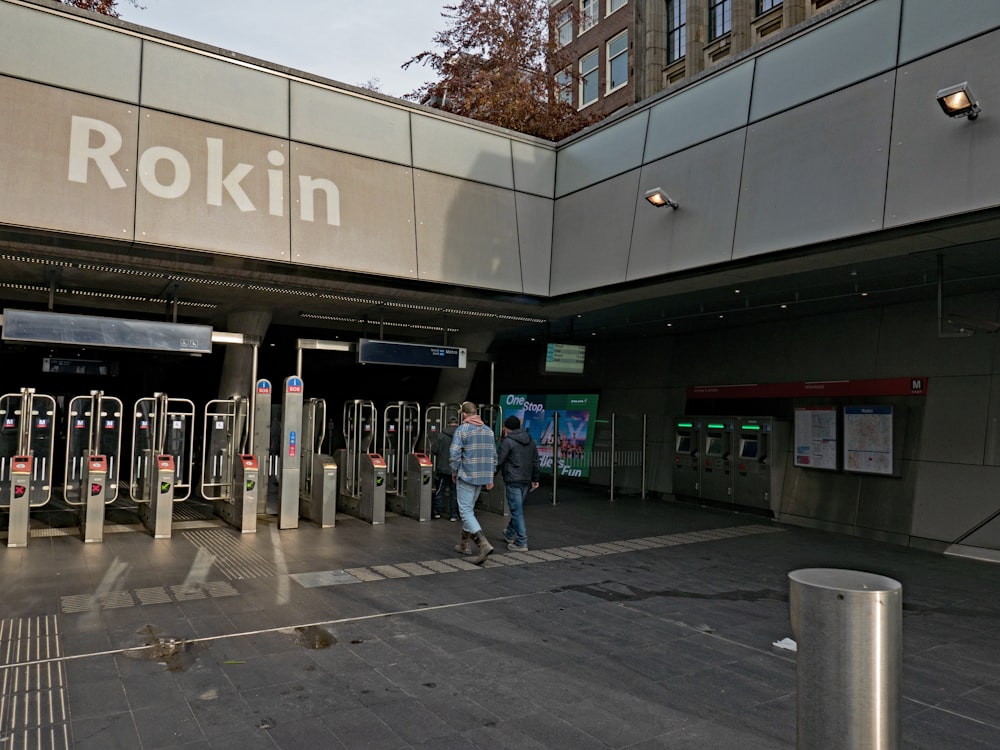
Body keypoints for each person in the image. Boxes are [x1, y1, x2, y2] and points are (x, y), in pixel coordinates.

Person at [449, 401, 497, 565]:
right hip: (483, 478)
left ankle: (483, 544)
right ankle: (463, 545)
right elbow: (494, 456)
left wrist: (454, 471)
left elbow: (454, 453)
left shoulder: (462, 430)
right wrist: (490, 477)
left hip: (468, 475)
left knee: (465, 512)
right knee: (469, 510)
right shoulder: (489, 431)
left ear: (463, 415)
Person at [496, 415, 540, 551]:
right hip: (526, 479)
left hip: (513, 479)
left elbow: (499, 460)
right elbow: (535, 461)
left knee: (517, 511)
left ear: (506, 428)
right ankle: (509, 533)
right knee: (518, 509)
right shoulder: (530, 440)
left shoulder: (508, 441)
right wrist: (535, 479)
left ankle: (522, 542)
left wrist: (489, 477)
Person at [432, 416, 459, 521]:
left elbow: (434, 450)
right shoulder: (461, 435)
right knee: (454, 492)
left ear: (448, 424)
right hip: (456, 469)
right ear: (457, 424)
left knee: (440, 490)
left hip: (442, 468)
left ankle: (437, 512)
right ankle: (453, 515)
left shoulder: (441, 435)